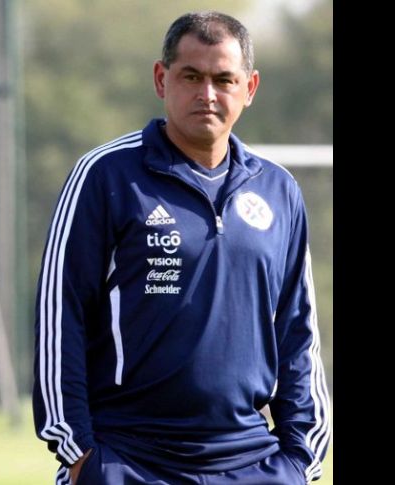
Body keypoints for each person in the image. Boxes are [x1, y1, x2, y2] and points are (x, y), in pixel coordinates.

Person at [32, 11, 330, 485]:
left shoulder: (279, 189)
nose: (207, 94)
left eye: (223, 79)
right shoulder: (105, 175)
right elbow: (60, 313)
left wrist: (299, 458)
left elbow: (297, 331)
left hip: (253, 462)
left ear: (249, 88)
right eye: (191, 76)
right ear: (161, 78)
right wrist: (80, 451)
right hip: (132, 460)